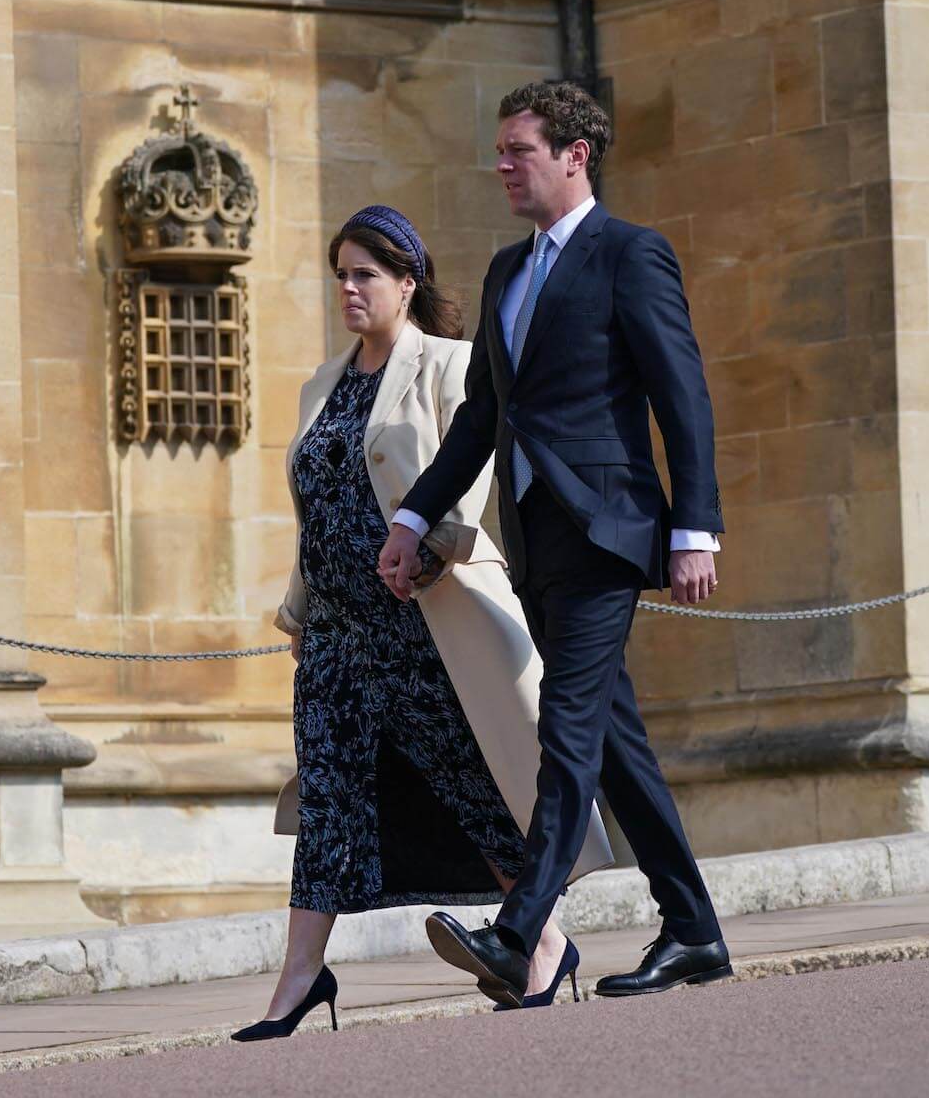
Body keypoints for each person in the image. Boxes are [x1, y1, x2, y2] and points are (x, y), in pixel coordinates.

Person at [377, 81, 732, 1008]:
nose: (501, 165)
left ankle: (519, 930)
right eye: (498, 150)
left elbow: (680, 395)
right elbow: (483, 416)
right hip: (537, 538)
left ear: (576, 154)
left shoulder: (631, 255)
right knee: (614, 744)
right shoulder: (504, 271)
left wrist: (695, 526)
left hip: (608, 530)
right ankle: (693, 927)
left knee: (566, 731)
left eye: (518, 149)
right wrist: (415, 515)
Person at [233, 206, 613, 1042]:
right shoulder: (320, 383)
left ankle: (542, 939)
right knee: (328, 798)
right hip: (335, 636)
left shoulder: (447, 364)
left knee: (471, 787)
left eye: (365, 273)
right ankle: (298, 978)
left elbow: (467, 476)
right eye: (340, 273)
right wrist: (298, 610)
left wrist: (433, 544)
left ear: (408, 282)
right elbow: (317, 509)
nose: (349, 288)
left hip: (421, 623)